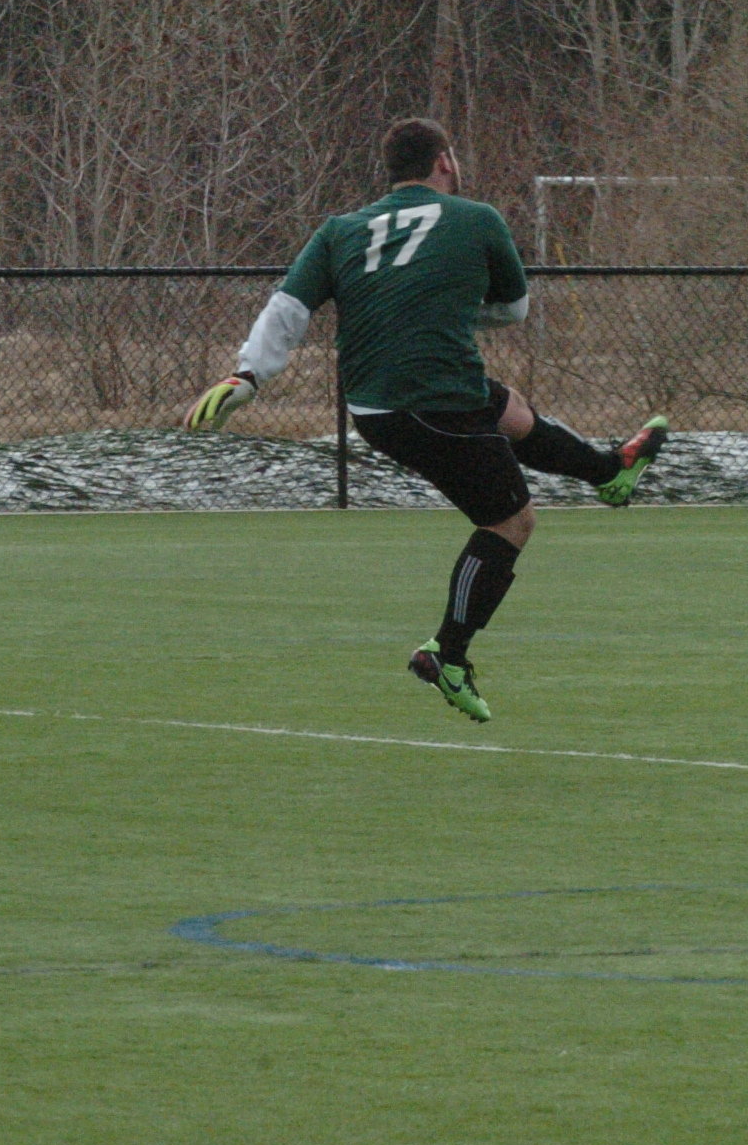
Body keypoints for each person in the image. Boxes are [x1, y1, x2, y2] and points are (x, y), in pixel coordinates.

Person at [181, 119, 669, 722]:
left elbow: (289, 308)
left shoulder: (340, 230)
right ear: (444, 161)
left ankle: (610, 473)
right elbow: (514, 309)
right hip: (430, 402)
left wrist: (248, 375)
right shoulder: (476, 219)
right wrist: (451, 306)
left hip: (383, 403)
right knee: (511, 521)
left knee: (510, 411)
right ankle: (449, 655)